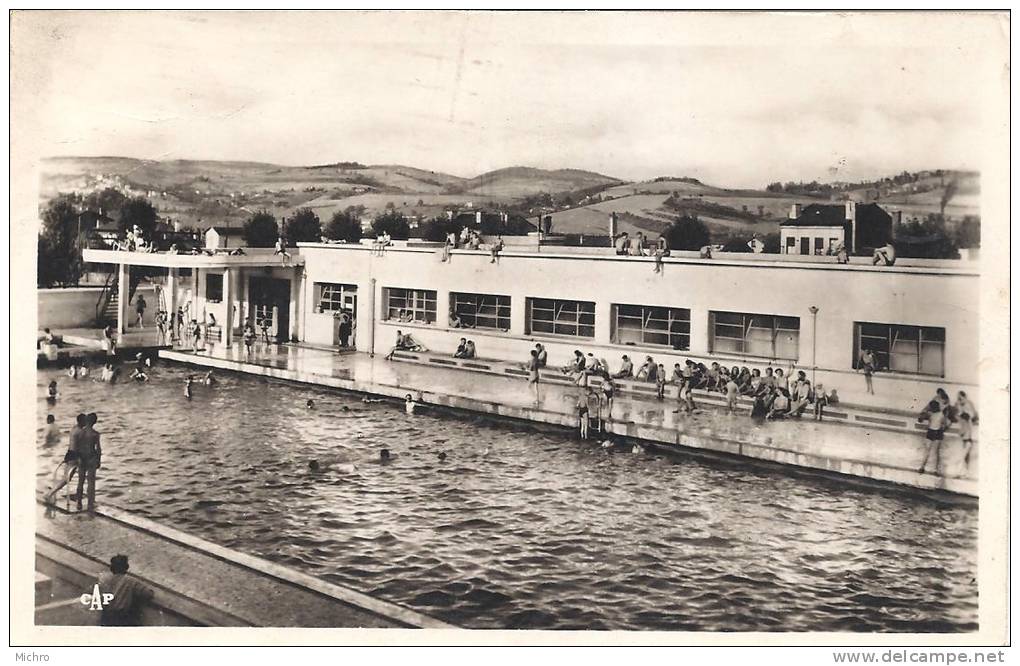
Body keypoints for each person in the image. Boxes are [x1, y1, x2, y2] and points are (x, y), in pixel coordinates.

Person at [97, 555, 154, 627]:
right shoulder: (131, 581)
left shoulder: (104, 580)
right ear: (126, 567)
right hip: (124, 619)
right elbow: (148, 594)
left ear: (112, 568)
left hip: (107, 618)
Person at [75, 412, 101, 513]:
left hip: (82, 458)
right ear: (95, 422)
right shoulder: (95, 434)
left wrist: (78, 458)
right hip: (91, 458)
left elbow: (77, 447)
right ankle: (90, 503)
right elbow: (98, 449)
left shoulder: (81, 432)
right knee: (91, 482)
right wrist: (99, 460)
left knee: (80, 481)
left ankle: (79, 502)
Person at [918, 399, 949, 474]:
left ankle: (930, 468)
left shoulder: (934, 414)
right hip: (935, 432)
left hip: (934, 432)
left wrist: (924, 413)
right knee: (932, 451)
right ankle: (925, 468)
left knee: (932, 452)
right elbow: (920, 419)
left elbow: (945, 424)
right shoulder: (933, 414)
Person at [956, 391, 979, 465]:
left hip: (969, 427)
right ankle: (964, 468)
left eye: (960, 397)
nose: (959, 399)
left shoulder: (969, 404)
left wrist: (970, 417)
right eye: (958, 397)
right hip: (964, 427)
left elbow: (975, 415)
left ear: (964, 397)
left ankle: (965, 467)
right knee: (965, 448)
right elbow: (956, 415)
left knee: (967, 448)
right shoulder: (959, 404)